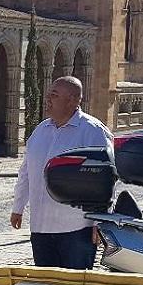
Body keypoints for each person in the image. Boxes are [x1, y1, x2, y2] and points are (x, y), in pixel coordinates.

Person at [10, 76, 112, 268]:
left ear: (73, 100)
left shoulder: (92, 131)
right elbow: (26, 171)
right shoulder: (40, 131)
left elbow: (105, 178)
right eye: (48, 94)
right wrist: (18, 207)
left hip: (75, 228)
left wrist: (100, 220)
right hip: (41, 226)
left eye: (54, 95)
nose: (47, 98)